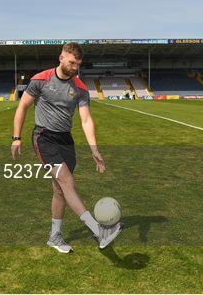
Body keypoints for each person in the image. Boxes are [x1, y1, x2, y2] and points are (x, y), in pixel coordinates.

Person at [11, 42, 123, 253]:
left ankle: (55, 236)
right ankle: (99, 231)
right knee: (67, 182)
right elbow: (22, 107)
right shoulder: (40, 80)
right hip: (43, 137)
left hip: (66, 140)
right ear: (61, 58)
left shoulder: (80, 89)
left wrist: (94, 149)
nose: (75, 68)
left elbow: (86, 120)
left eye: (78, 64)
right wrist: (16, 137)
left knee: (60, 190)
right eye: (72, 63)